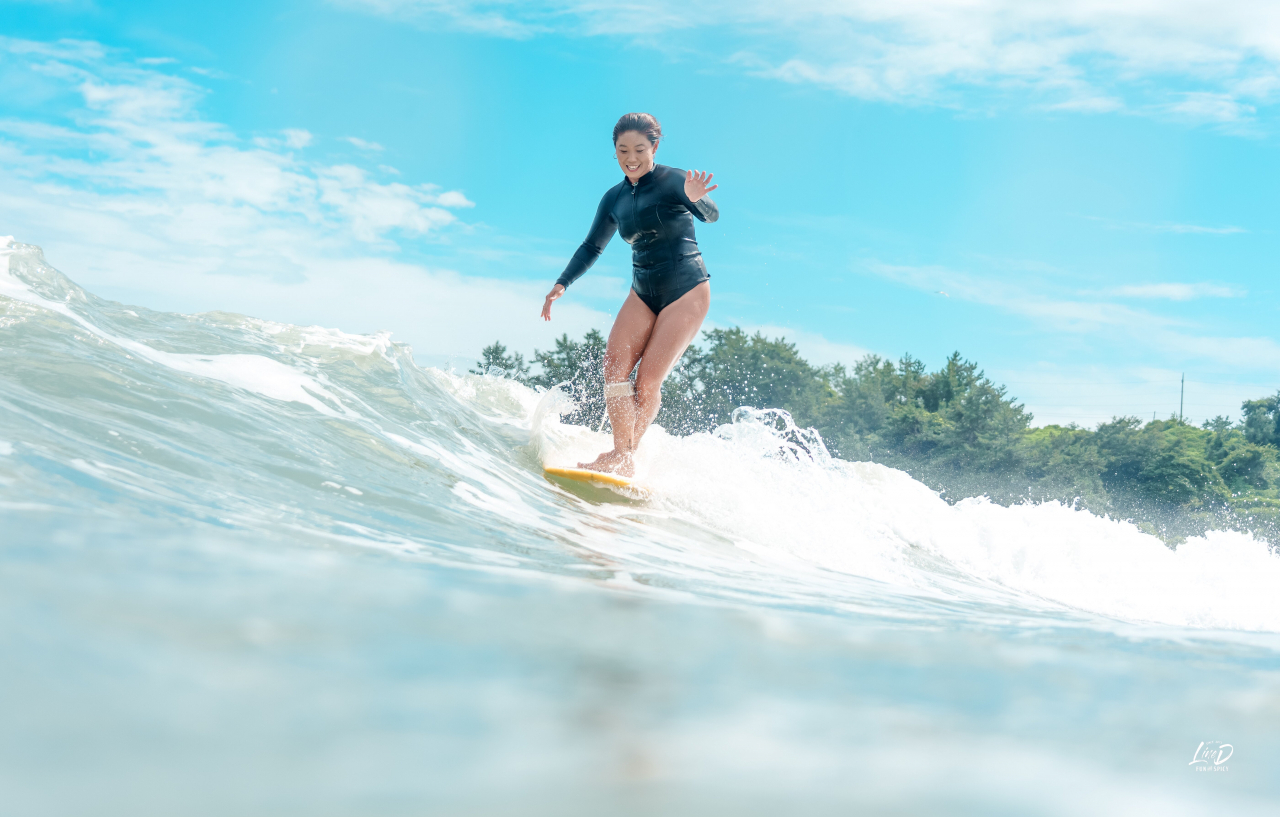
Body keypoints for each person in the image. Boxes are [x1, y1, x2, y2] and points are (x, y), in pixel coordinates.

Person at [540, 112, 718, 477]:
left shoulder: (675, 181)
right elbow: (592, 246)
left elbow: (711, 216)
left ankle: (623, 456)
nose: (631, 157)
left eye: (639, 148)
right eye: (623, 150)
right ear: (615, 152)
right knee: (614, 367)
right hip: (643, 290)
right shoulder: (614, 199)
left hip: (687, 290)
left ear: (654, 147)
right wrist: (563, 283)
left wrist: (698, 200)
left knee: (648, 379)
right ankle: (622, 455)